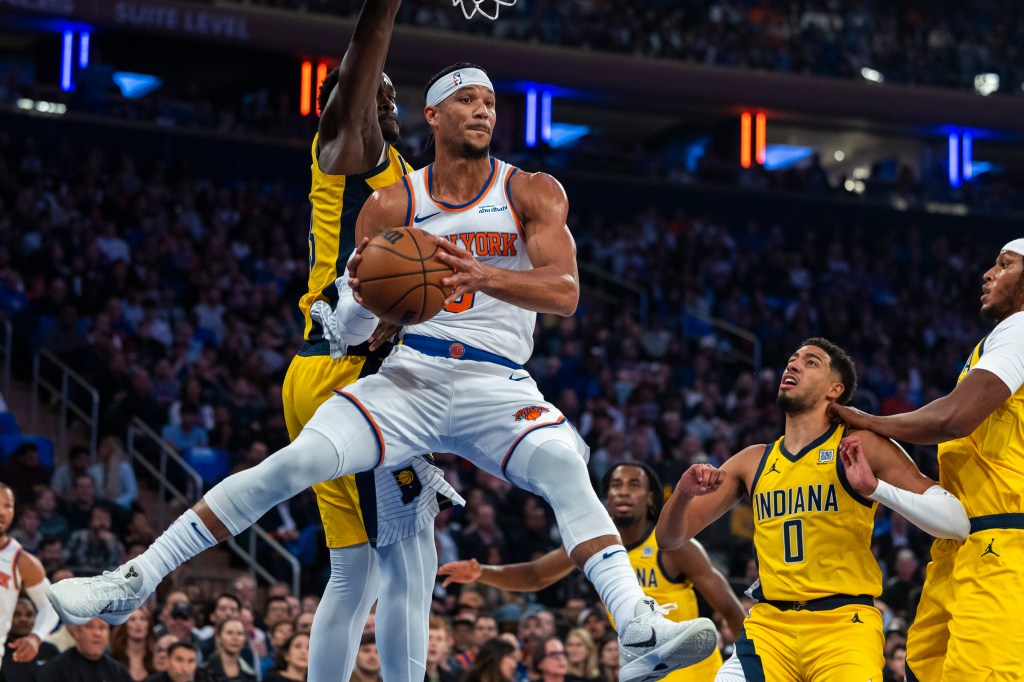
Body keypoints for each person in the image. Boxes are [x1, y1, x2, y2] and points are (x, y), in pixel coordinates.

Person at [48, 61, 717, 682]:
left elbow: (567, 291)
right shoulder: (394, 203)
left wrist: (479, 273)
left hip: (495, 381)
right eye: (466, 100)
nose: (483, 111)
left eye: (489, 102)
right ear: (434, 115)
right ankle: (133, 579)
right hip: (412, 376)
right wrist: (362, 306)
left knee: (565, 471)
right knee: (292, 465)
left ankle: (635, 624)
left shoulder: (531, 189)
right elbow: (361, 319)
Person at [283, 0, 464, 679]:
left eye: (390, 92)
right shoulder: (346, 150)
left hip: (321, 372)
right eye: (373, 88)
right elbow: (358, 81)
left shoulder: (393, 176)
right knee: (409, 557)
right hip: (347, 373)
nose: (385, 99)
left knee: (354, 570)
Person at [655, 339, 971, 681]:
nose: (792, 365)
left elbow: (955, 522)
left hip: (843, 624)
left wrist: (875, 489)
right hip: (768, 629)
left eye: (810, 362)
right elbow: (669, 538)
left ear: (835, 390)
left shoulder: (859, 445)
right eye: (792, 360)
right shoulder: (753, 460)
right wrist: (684, 494)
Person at [829, 240, 1024, 682]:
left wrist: (870, 421)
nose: (988, 274)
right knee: (921, 669)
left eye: (1004, 265)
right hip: (964, 540)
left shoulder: (1023, 328)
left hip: (1007, 539)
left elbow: (954, 418)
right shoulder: (996, 342)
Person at [438, 462, 746, 681]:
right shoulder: (594, 547)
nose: (623, 492)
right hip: (642, 672)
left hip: (695, 674)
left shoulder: (675, 546)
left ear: (650, 498)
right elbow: (536, 575)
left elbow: (732, 612)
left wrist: (750, 668)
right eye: (616, 485)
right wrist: (481, 573)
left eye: (634, 485)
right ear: (606, 498)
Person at [0, 484, 59, 672]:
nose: (2, 512)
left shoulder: (21, 561)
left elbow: (51, 604)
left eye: (7, 506)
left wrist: (36, 636)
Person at [38, 617, 132, 682]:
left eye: (102, 628)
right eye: (90, 627)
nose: (97, 633)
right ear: (77, 633)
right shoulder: (56, 670)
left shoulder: (119, 672)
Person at [1, 597, 60, 681]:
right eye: (17, 614)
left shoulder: (50, 650)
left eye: (29, 615)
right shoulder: (1, 651)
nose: (23, 619)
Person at [199, 618, 256, 682]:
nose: (235, 638)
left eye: (240, 633)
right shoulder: (205, 671)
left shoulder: (250, 673)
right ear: (218, 638)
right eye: (229, 633)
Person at [110, 608, 156, 681]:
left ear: (149, 625)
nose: (138, 624)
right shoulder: (113, 657)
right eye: (132, 619)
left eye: (142, 619)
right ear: (125, 626)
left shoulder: (155, 658)